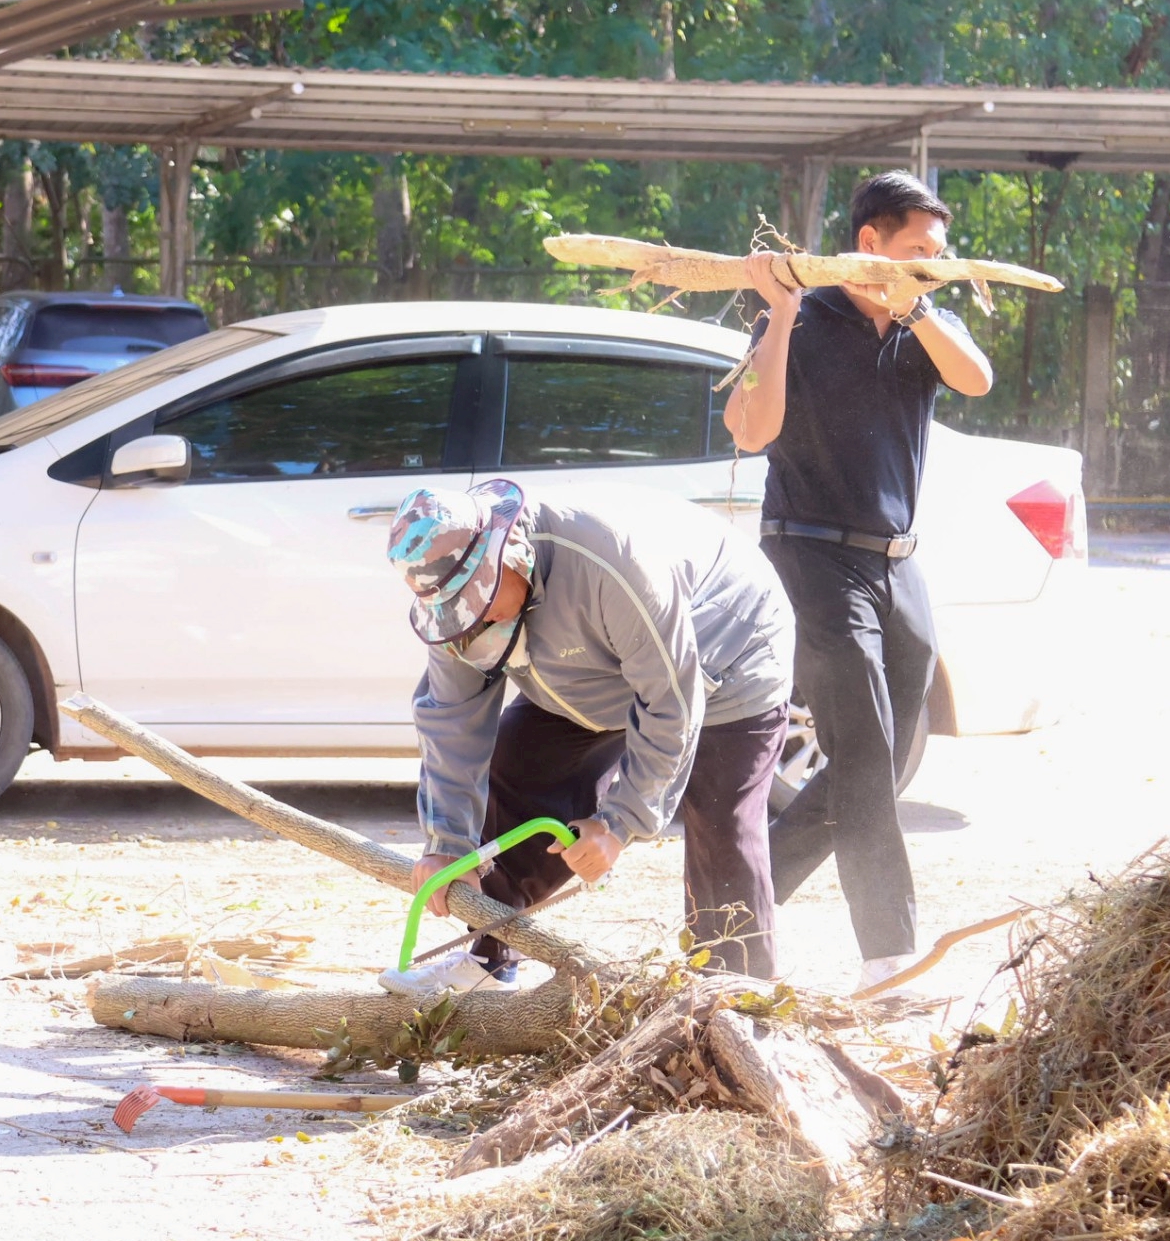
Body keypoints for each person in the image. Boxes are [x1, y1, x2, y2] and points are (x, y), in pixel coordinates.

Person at [723, 171, 995, 994]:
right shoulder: (803, 314)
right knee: (867, 755)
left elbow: (978, 379)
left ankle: (731, 911)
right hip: (811, 557)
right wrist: (778, 316)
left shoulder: (924, 320)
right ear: (869, 242)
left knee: (879, 763)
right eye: (917, 250)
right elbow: (749, 430)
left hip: (897, 564)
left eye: (938, 255)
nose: (930, 265)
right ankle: (890, 955)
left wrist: (917, 308)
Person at [378, 480, 795, 995]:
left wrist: (618, 824)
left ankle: (737, 992)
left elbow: (671, 703)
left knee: (719, 818)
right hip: (599, 662)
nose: (473, 620)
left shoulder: (613, 563)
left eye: (479, 602)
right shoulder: (454, 600)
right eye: (458, 611)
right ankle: (489, 958)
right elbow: (451, 721)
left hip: (725, 648)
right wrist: (448, 846)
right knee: (515, 764)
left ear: (510, 553)